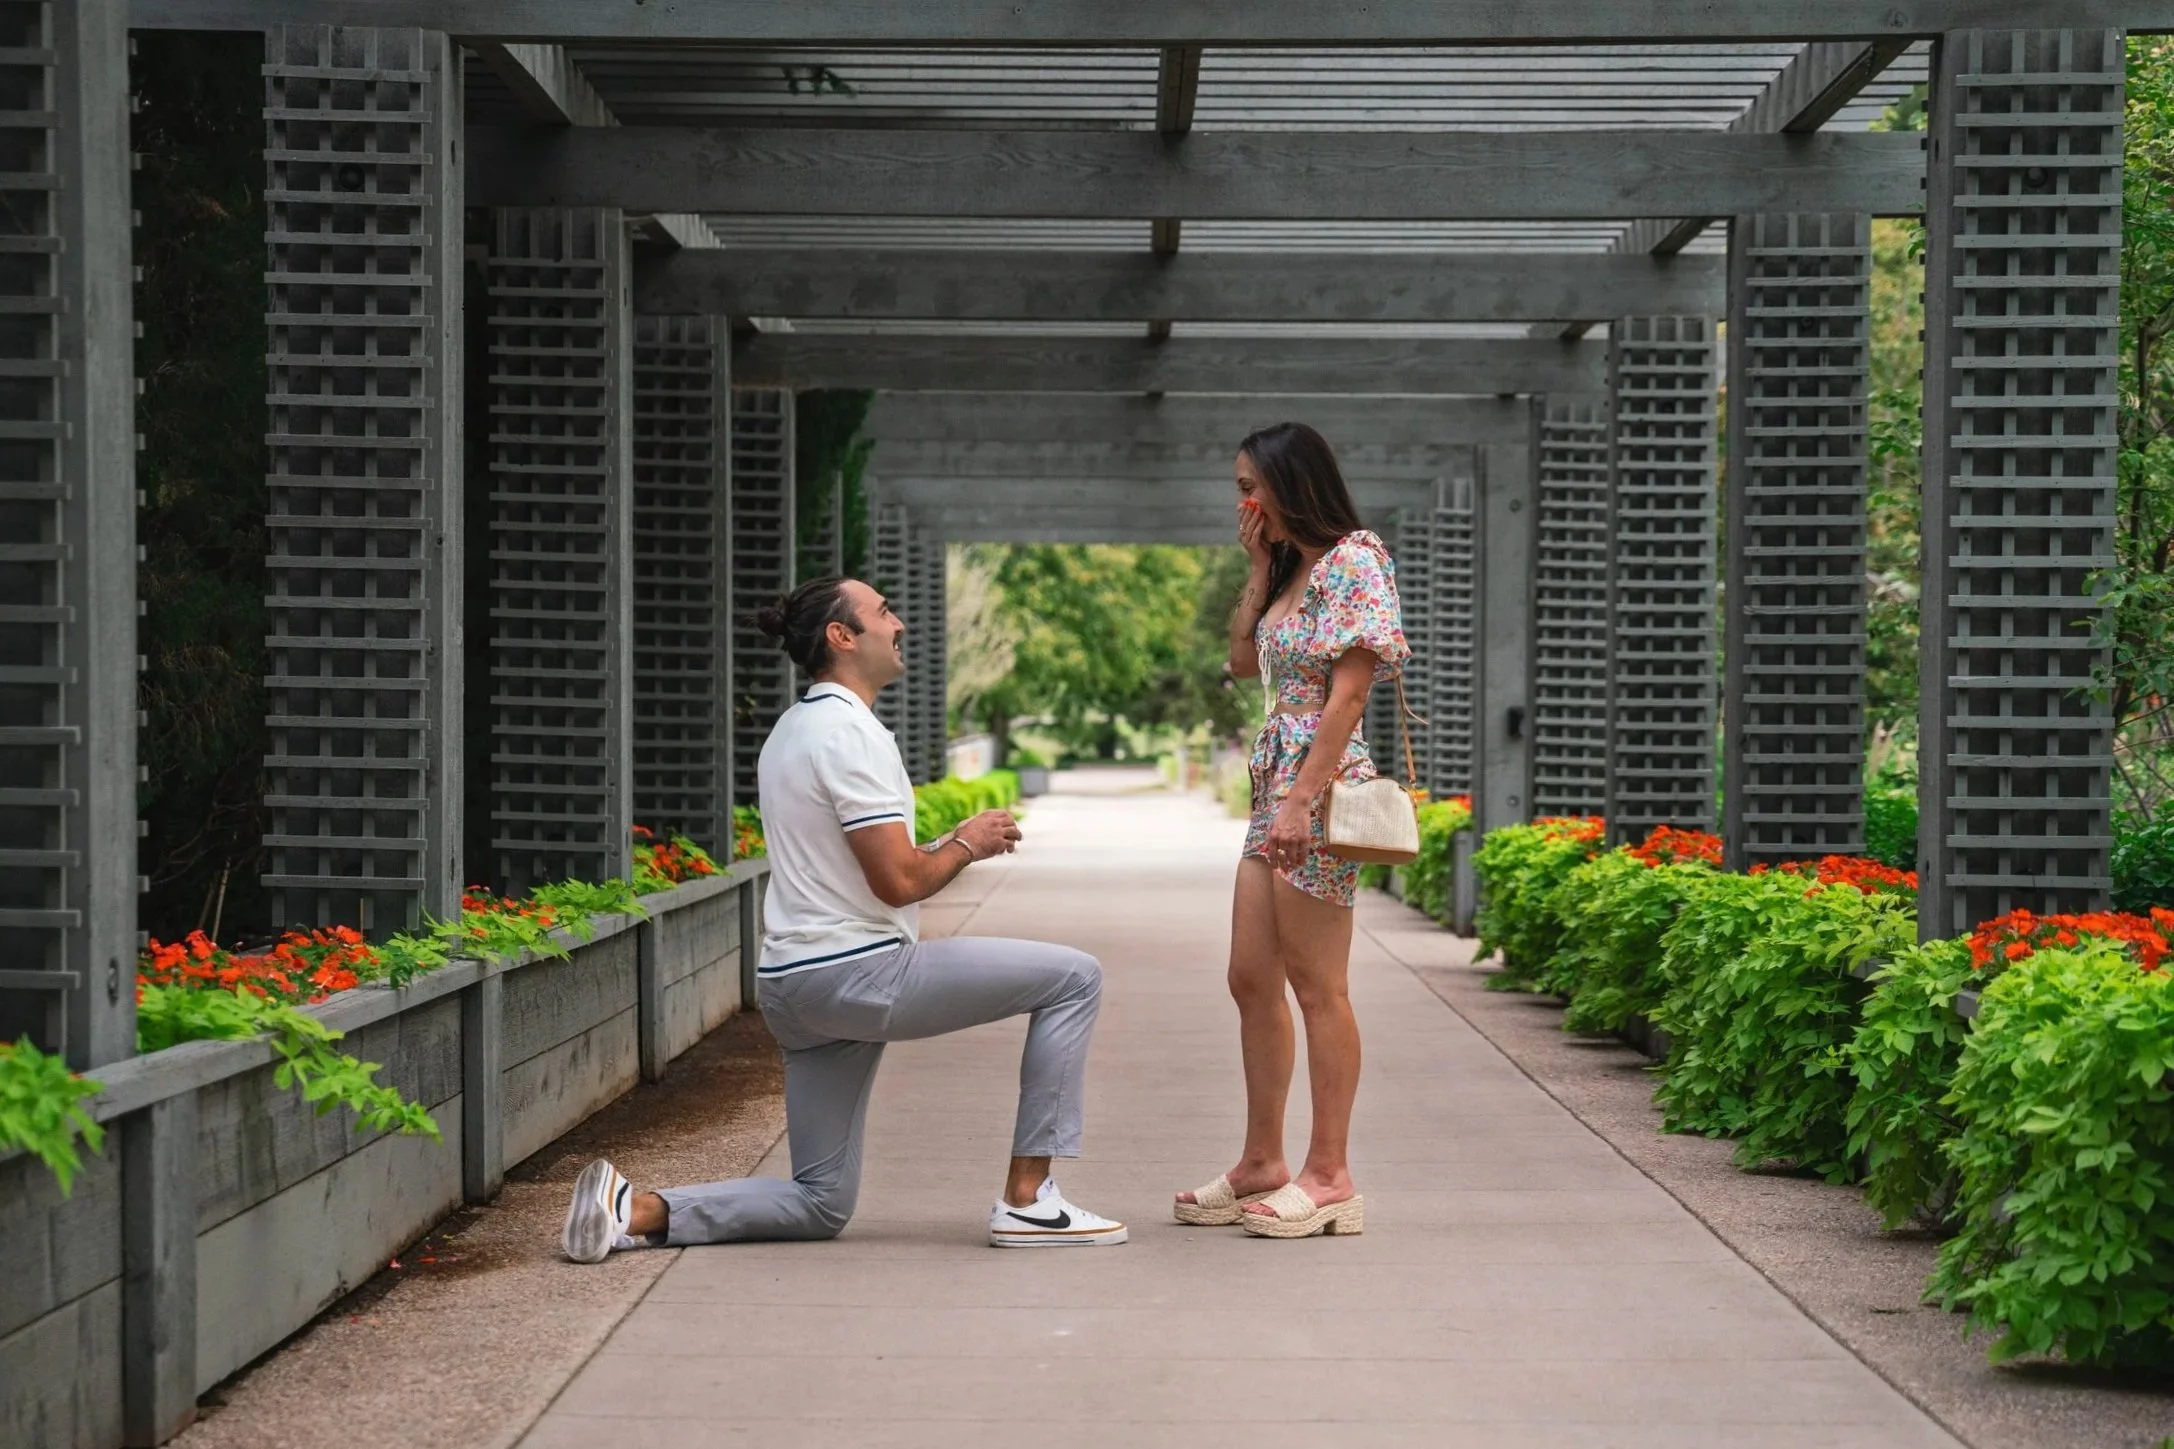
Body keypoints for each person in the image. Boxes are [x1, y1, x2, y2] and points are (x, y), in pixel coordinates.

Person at [562, 576, 1126, 1259]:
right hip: (858, 974)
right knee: (1074, 978)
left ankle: (632, 1211)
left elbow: (862, 866)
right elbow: (897, 882)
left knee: (820, 1199)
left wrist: (944, 846)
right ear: (842, 635)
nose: (901, 624)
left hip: (794, 986)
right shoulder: (850, 734)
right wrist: (967, 843)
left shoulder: (793, 729)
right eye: (884, 612)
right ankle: (1030, 1201)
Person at [1175, 423, 1409, 1240]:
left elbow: (1349, 695)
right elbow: (1244, 664)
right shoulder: (1287, 569)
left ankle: (1332, 1173)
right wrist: (1253, 570)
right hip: (1274, 789)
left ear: (1289, 481)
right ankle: (1263, 1161)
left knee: (1319, 984)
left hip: (1318, 788)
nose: (1242, 502)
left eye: (1251, 485)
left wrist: (1303, 799)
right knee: (1250, 976)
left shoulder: (1353, 558)